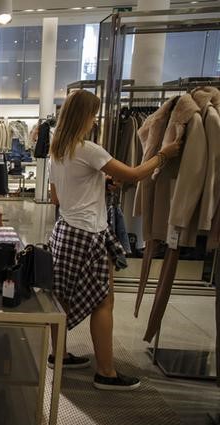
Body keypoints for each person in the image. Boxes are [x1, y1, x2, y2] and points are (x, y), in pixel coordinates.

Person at [48, 89, 181, 391]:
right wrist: (163, 155)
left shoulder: (57, 150)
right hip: (89, 234)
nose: (95, 120)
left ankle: (59, 355)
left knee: (62, 298)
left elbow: (56, 197)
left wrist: (99, 185)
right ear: (84, 116)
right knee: (103, 301)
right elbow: (134, 174)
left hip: (65, 231)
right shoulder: (90, 150)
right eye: (93, 114)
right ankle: (106, 372)